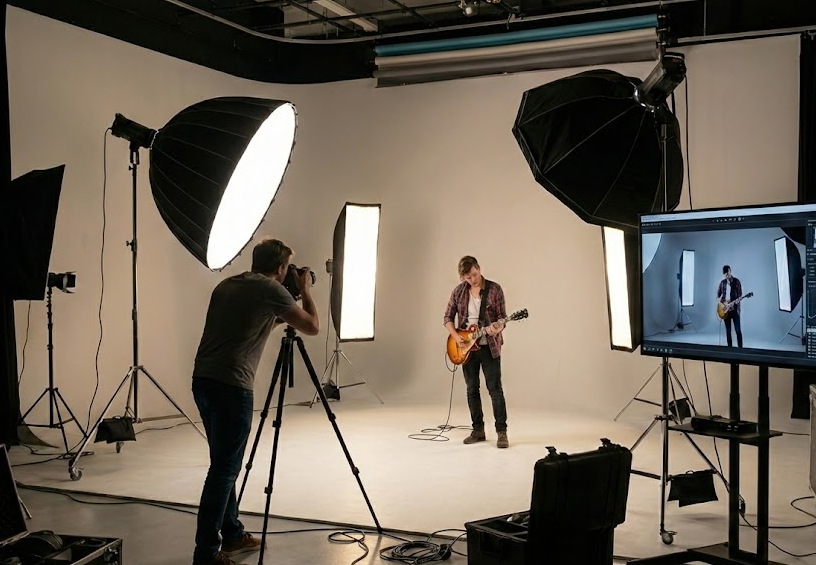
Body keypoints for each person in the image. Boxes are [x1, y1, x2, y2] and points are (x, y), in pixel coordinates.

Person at [191, 238, 319, 565]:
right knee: (223, 470)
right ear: (280, 267)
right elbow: (312, 327)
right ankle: (206, 553)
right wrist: (305, 290)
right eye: (289, 267)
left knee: (223, 463)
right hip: (232, 386)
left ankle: (232, 534)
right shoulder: (270, 290)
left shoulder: (228, 285)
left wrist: (286, 302)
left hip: (203, 381)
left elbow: (256, 319)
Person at [444, 256, 510, 448]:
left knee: (495, 389)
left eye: (474, 274)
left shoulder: (495, 289)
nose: (473, 280)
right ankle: (478, 430)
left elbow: (502, 318)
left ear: (479, 268)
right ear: (462, 278)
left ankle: (502, 432)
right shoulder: (458, 292)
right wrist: (457, 338)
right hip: (466, 349)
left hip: (489, 346)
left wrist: (497, 328)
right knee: (472, 389)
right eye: (468, 278)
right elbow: (448, 317)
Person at [717, 265, 743, 348]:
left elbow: (740, 295)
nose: (726, 275)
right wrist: (722, 301)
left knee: (738, 331)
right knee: (728, 332)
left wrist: (737, 300)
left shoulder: (736, 281)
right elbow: (718, 297)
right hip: (725, 311)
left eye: (727, 273)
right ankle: (730, 351)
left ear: (730, 271)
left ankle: (740, 351)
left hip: (735, 310)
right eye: (725, 274)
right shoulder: (722, 283)